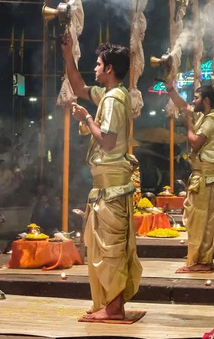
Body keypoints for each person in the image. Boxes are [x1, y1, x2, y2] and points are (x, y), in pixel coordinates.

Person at [61, 32, 142, 321]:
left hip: (112, 189)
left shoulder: (112, 100)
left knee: (109, 249)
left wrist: (86, 119)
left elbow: (107, 141)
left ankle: (114, 308)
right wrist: (68, 54)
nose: (94, 69)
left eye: (97, 64)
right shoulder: (111, 94)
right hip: (109, 187)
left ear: (109, 69)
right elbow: (79, 86)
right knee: (105, 247)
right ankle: (110, 304)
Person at [165, 83, 214, 273]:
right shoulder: (204, 115)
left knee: (202, 221)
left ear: (206, 101)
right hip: (203, 177)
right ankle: (203, 259)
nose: (193, 101)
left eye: (196, 98)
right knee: (198, 220)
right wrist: (170, 89)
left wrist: (189, 126)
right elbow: (184, 107)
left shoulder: (211, 119)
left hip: (207, 179)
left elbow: (195, 143)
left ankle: (202, 261)